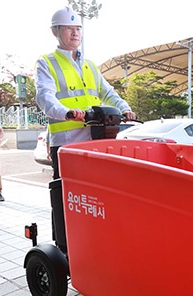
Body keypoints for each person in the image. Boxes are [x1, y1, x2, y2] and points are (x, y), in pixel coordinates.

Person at [35, 6, 136, 179]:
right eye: (68, 28)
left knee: (93, 193)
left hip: (94, 141)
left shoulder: (89, 65)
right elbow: (45, 97)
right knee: (66, 196)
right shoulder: (46, 63)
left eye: (78, 29)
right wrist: (66, 113)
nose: (75, 33)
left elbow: (108, 92)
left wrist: (124, 108)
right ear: (55, 31)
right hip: (66, 143)